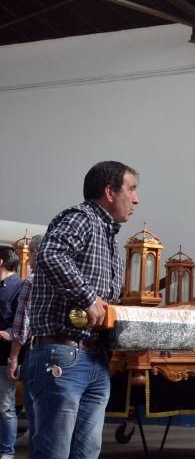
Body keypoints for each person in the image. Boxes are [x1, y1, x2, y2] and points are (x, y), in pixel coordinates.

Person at [27, 160, 139, 459]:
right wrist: (88, 298)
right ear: (110, 192)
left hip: (95, 357)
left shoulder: (109, 237)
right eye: (132, 189)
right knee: (54, 451)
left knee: (87, 452)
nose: (136, 199)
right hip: (63, 352)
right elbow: (51, 255)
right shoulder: (81, 218)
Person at [6, 234, 41, 448]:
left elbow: (23, 325)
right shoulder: (68, 281)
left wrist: (13, 358)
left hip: (36, 351)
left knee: (35, 407)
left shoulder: (31, 281)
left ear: (36, 253)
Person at [0, 246, 22, 459]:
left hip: (5, 356)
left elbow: (21, 322)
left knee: (5, 408)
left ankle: (6, 451)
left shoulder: (20, 286)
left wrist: (5, 334)